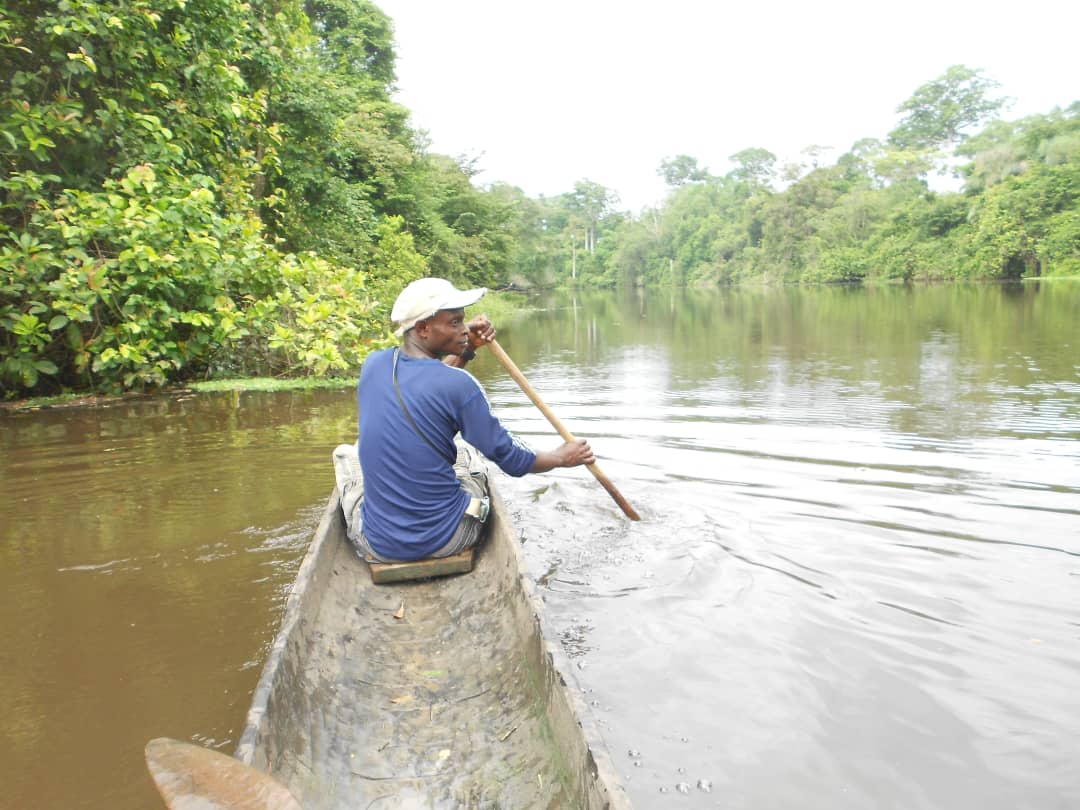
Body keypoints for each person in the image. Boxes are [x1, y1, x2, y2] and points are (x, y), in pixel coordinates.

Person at [337, 277, 594, 563]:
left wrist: (466, 347)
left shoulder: (375, 364)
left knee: (350, 458)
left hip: (378, 544)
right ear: (423, 329)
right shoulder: (461, 386)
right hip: (448, 538)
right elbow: (512, 460)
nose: (464, 329)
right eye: (455, 323)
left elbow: (429, 388)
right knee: (470, 459)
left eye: (463, 322)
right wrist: (561, 457)